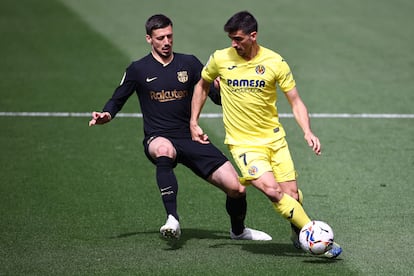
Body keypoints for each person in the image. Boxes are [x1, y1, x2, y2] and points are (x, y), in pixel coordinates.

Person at [89, 14, 271, 241]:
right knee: (164, 150)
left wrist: (224, 88)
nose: (166, 42)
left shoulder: (190, 63)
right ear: (149, 39)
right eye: (160, 38)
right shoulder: (138, 69)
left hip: (191, 137)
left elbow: (215, 97)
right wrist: (107, 114)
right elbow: (117, 99)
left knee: (237, 189)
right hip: (158, 137)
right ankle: (172, 218)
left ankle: (238, 230)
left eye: (169, 36)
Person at [190, 11, 342, 258]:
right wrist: (193, 121)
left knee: (292, 195)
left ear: (253, 35)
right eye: (231, 39)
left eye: (238, 39)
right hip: (243, 144)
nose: (233, 44)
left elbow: (295, 101)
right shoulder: (219, 59)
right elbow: (202, 85)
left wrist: (307, 131)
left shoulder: (275, 62)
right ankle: (315, 234)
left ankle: (298, 232)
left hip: (275, 140)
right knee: (272, 191)